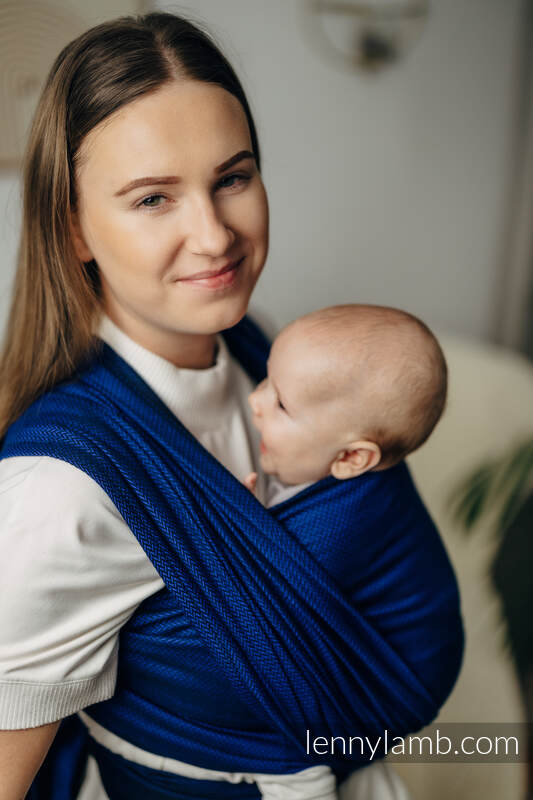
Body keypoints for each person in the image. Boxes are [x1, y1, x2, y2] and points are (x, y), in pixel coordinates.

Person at [0, 13, 462, 800]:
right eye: (153, 199)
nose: (214, 235)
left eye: (233, 177)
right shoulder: (62, 491)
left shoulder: (259, 350)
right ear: (74, 227)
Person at [247, 303, 447, 503]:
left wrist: (246, 519)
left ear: (350, 457)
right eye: (267, 378)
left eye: (281, 405)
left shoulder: (333, 521)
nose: (254, 398)